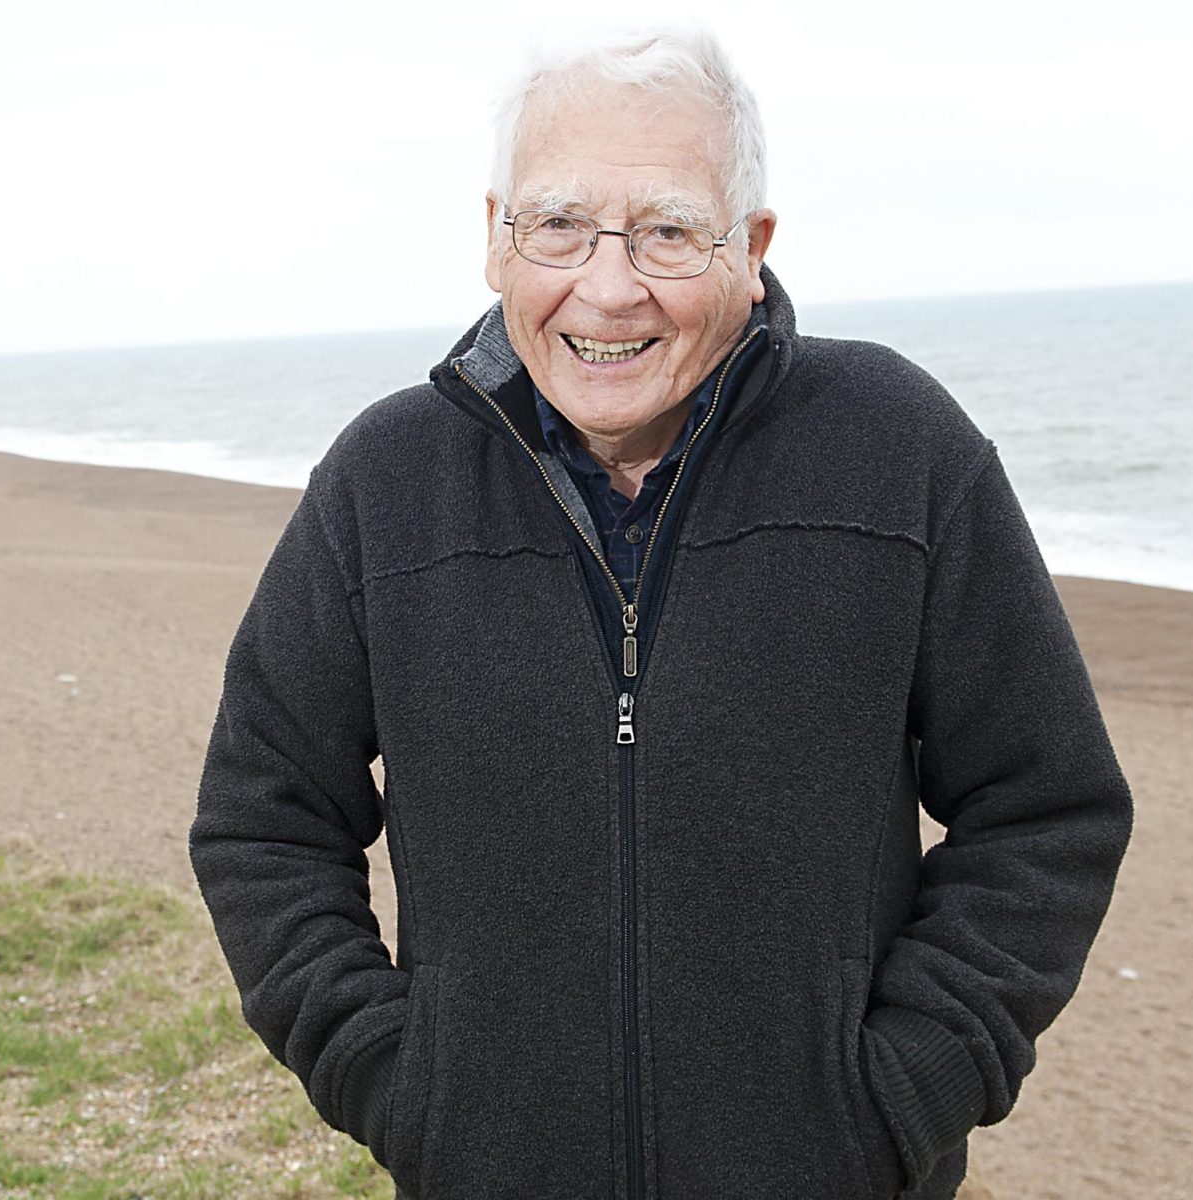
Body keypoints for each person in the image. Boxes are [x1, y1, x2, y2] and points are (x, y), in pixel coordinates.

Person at [188, 25, 1133, 1200]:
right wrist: (399, 1086)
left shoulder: (898, 450)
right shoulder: (383, 484)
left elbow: (1045, 808)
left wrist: (897, 1096)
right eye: (558, 225)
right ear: (495, 239)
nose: (607, 284)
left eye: (668, 231)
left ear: (751, 248)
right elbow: (260, 818)